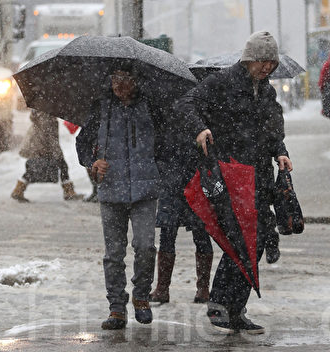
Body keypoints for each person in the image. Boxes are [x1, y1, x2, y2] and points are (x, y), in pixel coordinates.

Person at [175, 30, 293, 334]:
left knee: (255, 241)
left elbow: (272, 128)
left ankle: (235, 309)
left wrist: (280, 152)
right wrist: (200, 129)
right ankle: (221, 306)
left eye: (271, 63)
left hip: (259, 175)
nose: (266, 67)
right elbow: (186, 104)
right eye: (261, 61)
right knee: (239, 241)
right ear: (248, 58)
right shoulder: (222, 82)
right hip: (231, 173)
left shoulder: (265, 91)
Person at [76, 64, 161, 330]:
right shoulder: (102, 108)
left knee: (145, 246)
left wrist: (160, 171)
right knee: (114, 253)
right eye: (114, 78)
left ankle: (141, 296)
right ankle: (116, 307)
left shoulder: (150, 107)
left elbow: (167, 144)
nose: (118, 84)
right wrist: (92, 162)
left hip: (145, 190)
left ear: (136, 81)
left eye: (124, 79)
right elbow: (82, 142)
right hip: (111, 189)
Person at [148, 125, 214, 305]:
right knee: (168, 233)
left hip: (194, 179)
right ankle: (163, 288)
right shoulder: (168, 117)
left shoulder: (195, 117)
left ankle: (202, 288)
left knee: (200, 233)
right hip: (173, 178)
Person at [11, 110, 82, 202]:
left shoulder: (42, 112)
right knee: (59, 166)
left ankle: (18, 190)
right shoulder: (46, 114)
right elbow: (48, 134)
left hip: (41, 145)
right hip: (44, 147)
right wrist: (54, 150)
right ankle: (69, 192)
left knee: (36, 169)